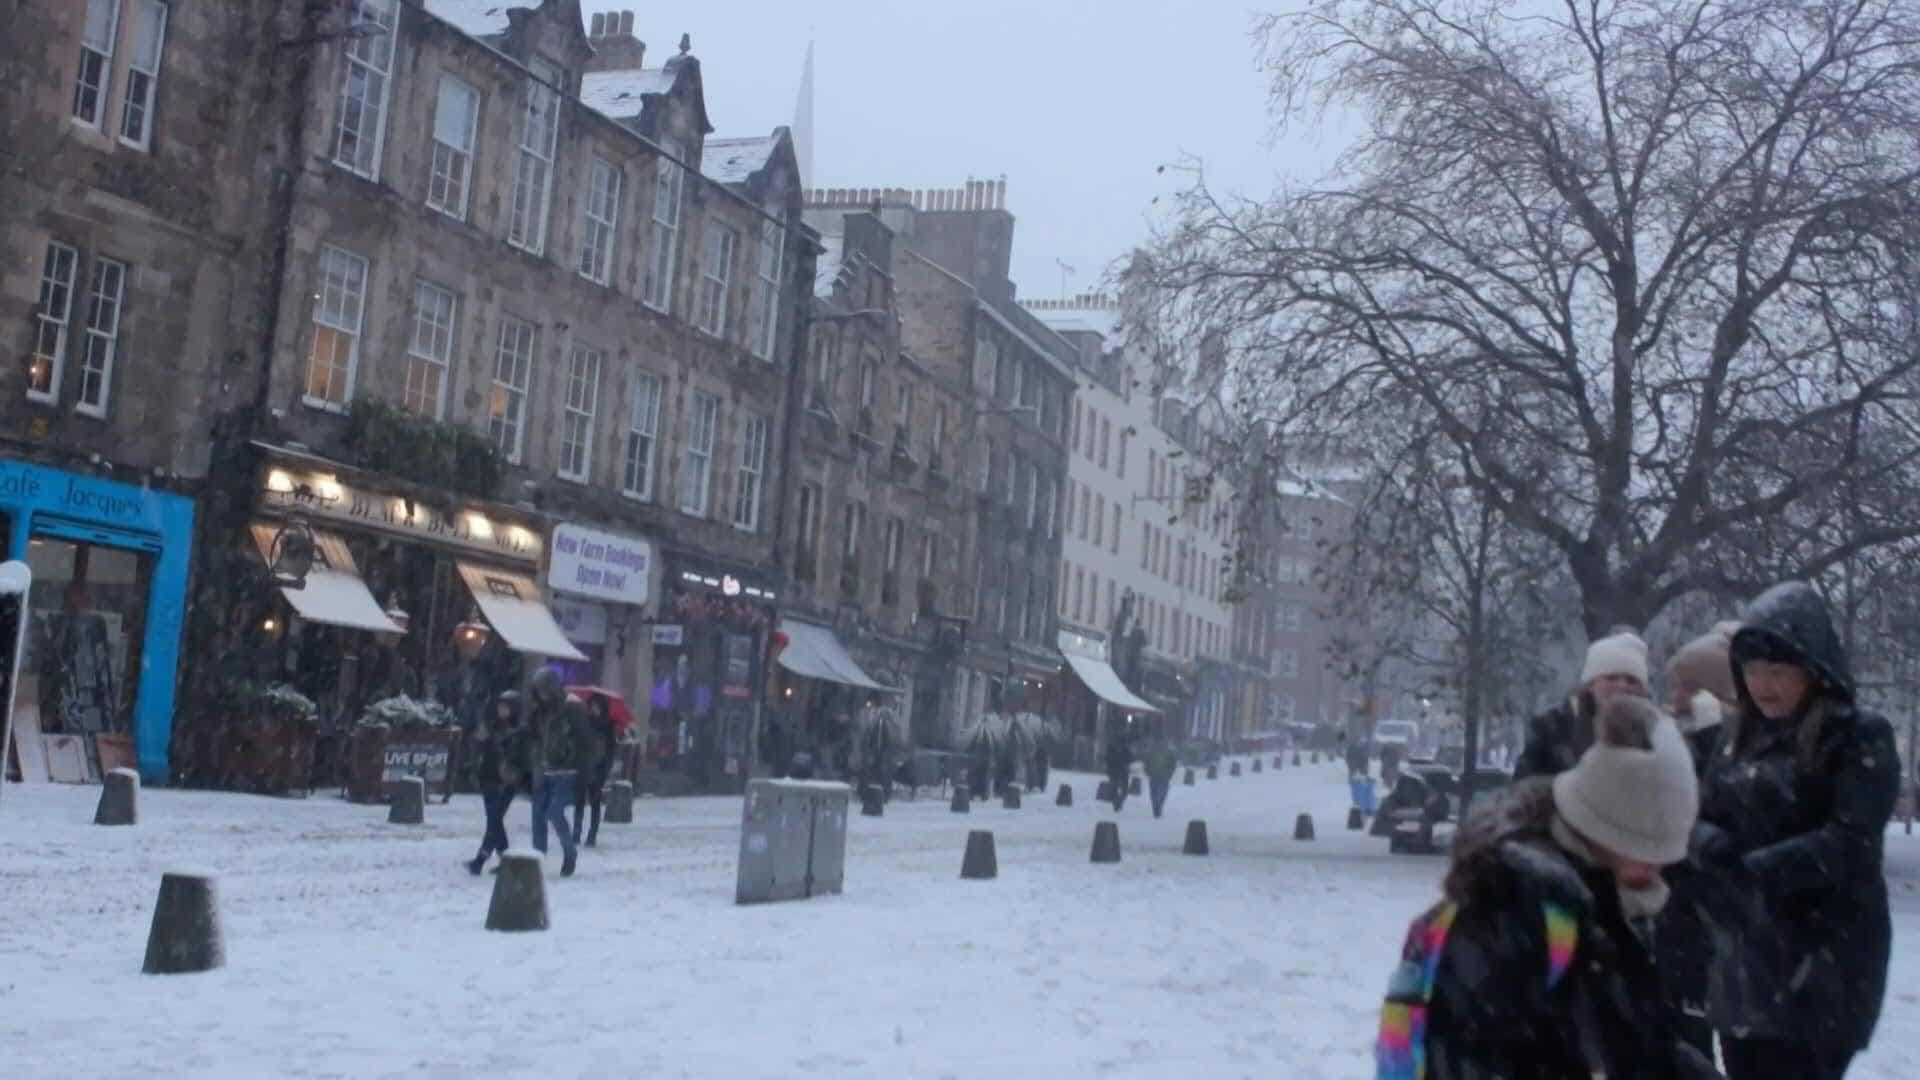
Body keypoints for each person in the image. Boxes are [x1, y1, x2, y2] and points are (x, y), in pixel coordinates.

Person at [1378, 695, 1715, 1078]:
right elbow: (1470, 1055)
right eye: (1648, 849)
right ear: (1605, 830)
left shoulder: (1599, 899)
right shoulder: (1510, 907)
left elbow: (1634, 1040)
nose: (1658, 869)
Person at [1693, 582, 1898, 1079]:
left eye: (1779, 670)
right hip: (1744, 963)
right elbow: (1692, 814)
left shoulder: (1855, 735)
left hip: (1825, 962)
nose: (1765, 684)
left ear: (1813, 669)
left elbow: (1852, 839)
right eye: (1754, 670)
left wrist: (1754, 871)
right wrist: (1707, 846)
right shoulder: (1733, 738)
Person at [1656, 619, 1742, 1059]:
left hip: (1712, 928)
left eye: (1689, 686)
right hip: (1674, 924)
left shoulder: (1733, 748)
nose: (1677, 696)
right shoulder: (1671, 739)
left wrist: (1712, 737)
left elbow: (1711, 814)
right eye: (1675, 685)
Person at [1513, 629, 1652, 780]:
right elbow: (1522, 789)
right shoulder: (1551, 727)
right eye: (1611, 677)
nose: (1622, 686)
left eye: (1631, 680)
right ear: (1591, 684)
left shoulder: (1655, 733)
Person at [524, 671, 580, 877]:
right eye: (538, 690)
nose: (542, 694)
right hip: (543, 769)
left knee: (554, 812)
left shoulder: (571, 709)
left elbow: (584, 741)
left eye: (544, 689)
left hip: (566, 771)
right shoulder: (538, 713)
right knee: (538, 814)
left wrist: (572, 757)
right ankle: (537, 858)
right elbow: (532, 738)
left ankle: (569, 851)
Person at [466, 691, 524, 875]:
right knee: (495, 822)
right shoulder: (493, 725)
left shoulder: (517, 731)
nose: (501, 709)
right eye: (500, 706)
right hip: (488, 778)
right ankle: (506, 861)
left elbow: (517, 758)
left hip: (505, 782)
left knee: (494, 822)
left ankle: (480, 860)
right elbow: (481, 747)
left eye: (505, 706)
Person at [572, 695, 616, 849]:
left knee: (595, 802)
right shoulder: (584, 723)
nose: (594, 708)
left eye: (597, 706)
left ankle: (592, 834)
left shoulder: (608, 725)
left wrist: (605, 768)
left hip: (598, 769)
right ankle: (576, 833)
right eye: (592, 705)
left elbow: (611, 750)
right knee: (579, 802)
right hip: (583, 767)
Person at [1143, 735, 1177, 818]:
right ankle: (1156, 809)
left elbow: (1173, 764)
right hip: (1154, 775)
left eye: (1162, 742)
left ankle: (1158, 806)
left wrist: (1170, 773)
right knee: (1154, 794)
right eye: (1159, 742)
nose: (1160, 743)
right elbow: (1146, 762)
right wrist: (1147, 771)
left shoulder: (1169, 752)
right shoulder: (1151, 751)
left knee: (1161, 793)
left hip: (1164, 775)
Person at [1104, 723, 1134, 811]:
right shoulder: (1119, 745)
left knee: (1117, 788)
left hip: (1117, 769)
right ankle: (1117, 802)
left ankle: (1117, 802)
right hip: (1118, 769)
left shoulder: (1121, 745)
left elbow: (1108, 757)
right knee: (1120, 788)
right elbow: (1130, 757)